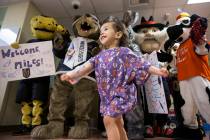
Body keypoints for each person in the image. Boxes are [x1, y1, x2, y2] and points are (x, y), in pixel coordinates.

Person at [61, 16, 169, 140]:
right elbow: (85, 67)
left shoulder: (124, 52)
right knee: (117, 122)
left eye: (106, 29)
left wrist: (159, 71)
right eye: (101, 31)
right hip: (107, 97)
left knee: (108, 120)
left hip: (122, 93)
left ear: (118, 34)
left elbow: (142, 64)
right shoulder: (99, 56)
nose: (102, 33)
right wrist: (71, 74)